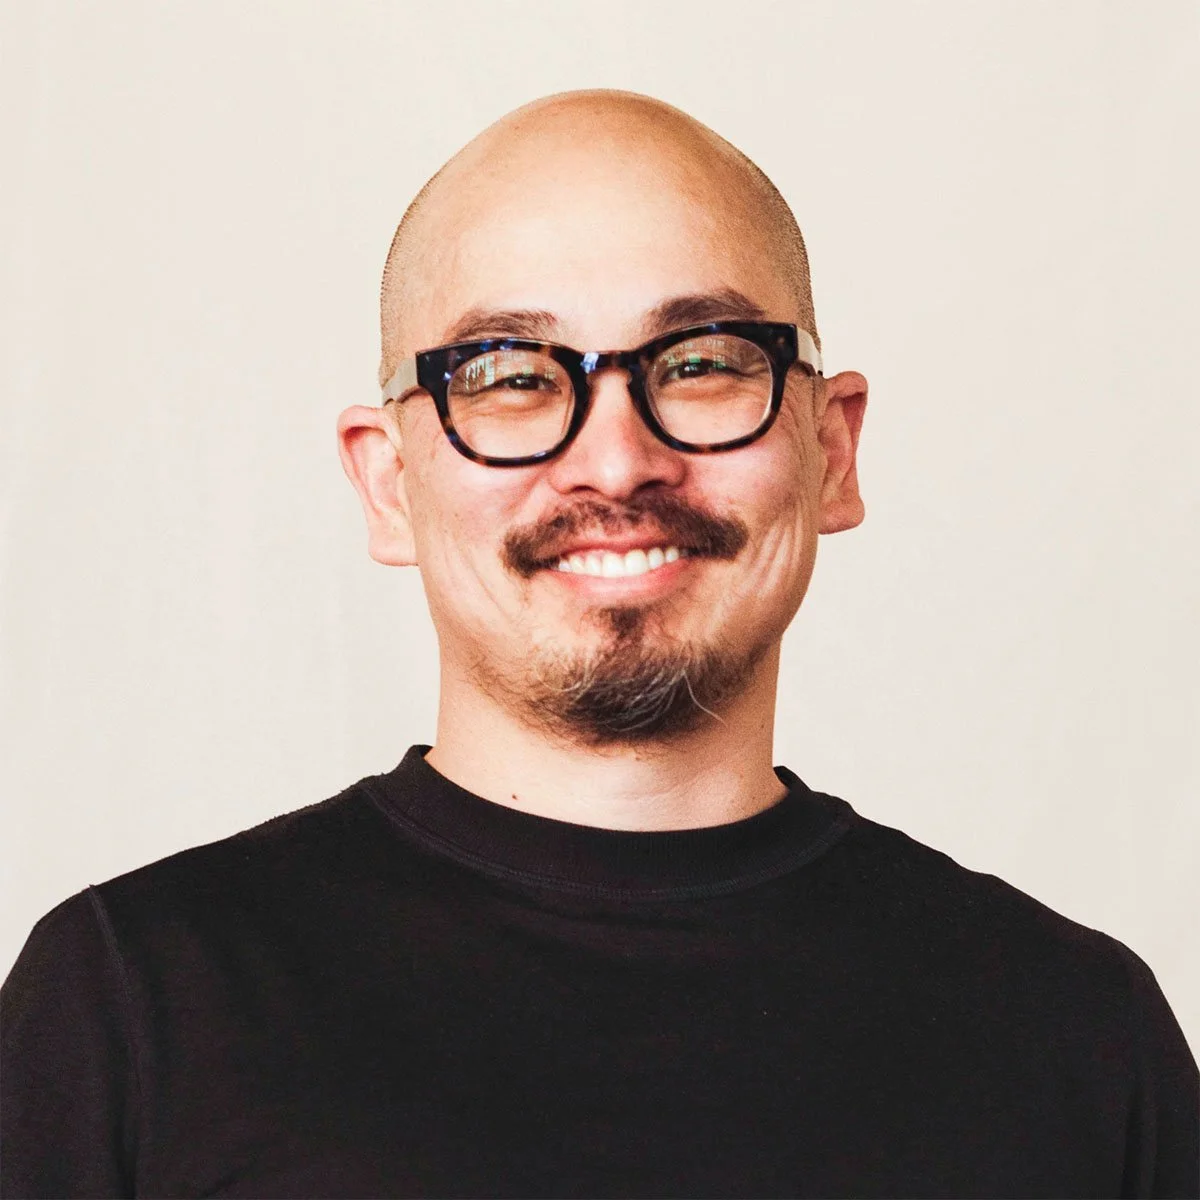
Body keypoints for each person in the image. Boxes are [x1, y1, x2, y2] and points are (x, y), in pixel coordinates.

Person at [2, 89, 1196, 1199]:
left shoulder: (1080, 1033)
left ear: (831, 451)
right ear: (388, 484)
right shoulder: (129, 1008)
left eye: (704, 364)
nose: (618, 461)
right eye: (511, 377)